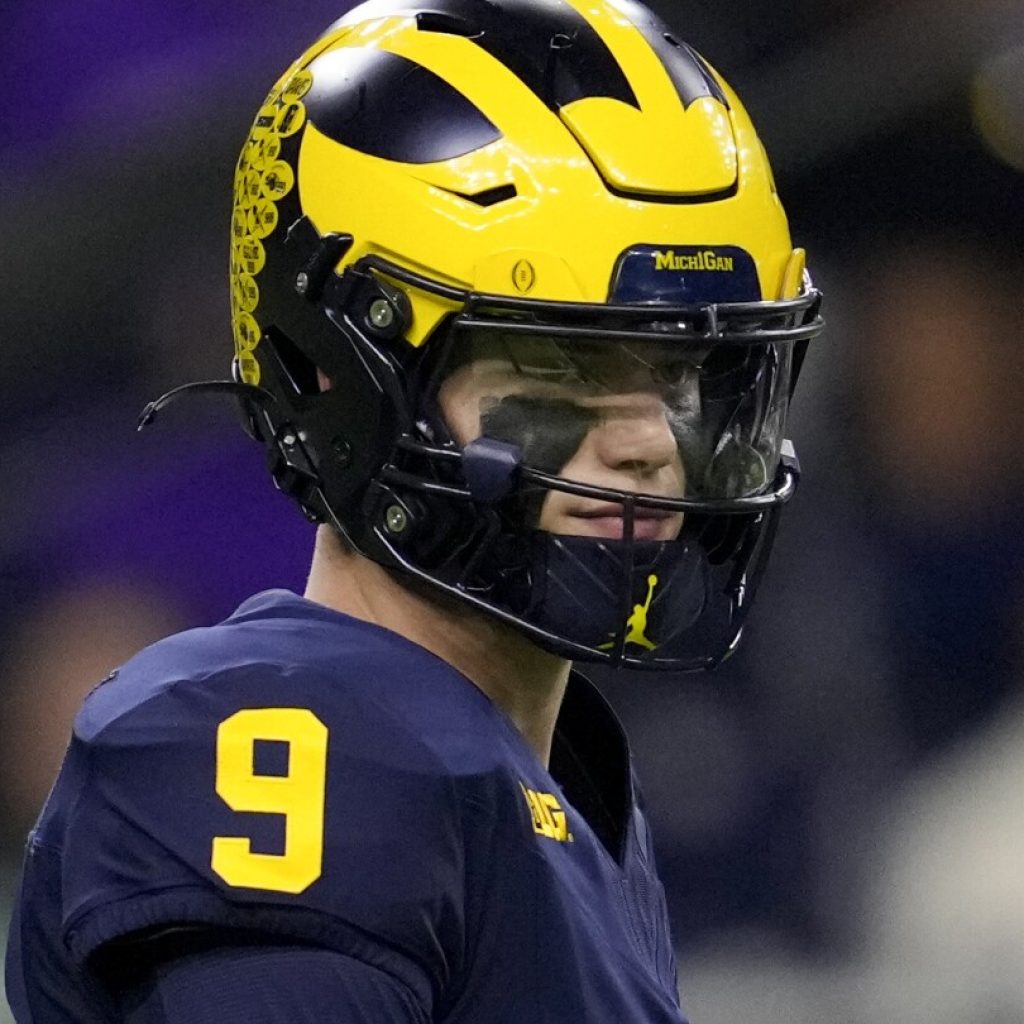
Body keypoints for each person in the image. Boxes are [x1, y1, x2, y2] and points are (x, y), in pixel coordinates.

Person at [4, 0, 823, 1020]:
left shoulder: (547, 776)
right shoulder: (287, 743)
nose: (651, 436)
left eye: (687, 368)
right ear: (339, 373)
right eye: (555, 363)